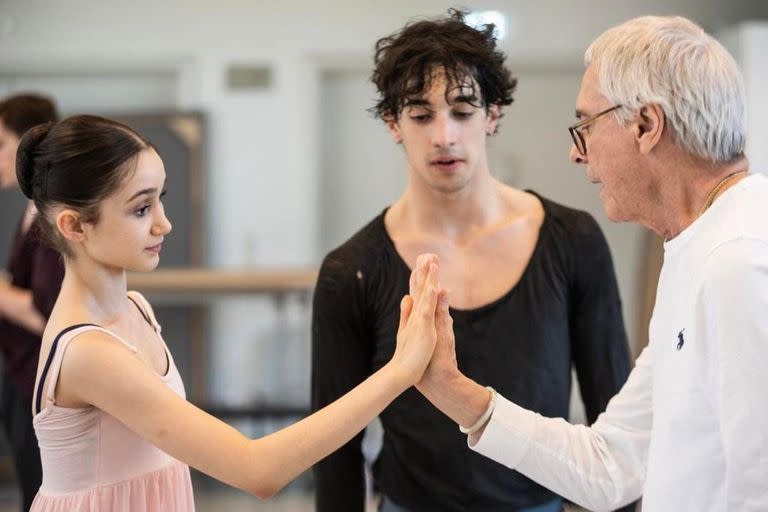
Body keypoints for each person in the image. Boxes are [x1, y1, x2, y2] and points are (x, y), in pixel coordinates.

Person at [415, 15, 768, 512]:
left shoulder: (740, 262)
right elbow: (611, 464)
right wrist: (453, 391)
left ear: (646, 125)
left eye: (585, 125)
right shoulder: (699, 248)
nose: (576, 154)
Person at [19, 114, 441, 512]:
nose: (164, 225)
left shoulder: (135, 309)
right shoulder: (90, 353)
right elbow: (257, 470)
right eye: (141, 209)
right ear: (74, 227)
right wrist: (400, 370)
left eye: (160, 200)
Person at [312, 9, 632, 512]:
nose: (444, 135)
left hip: (541, 502)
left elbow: (612, 413)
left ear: (493, 114)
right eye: (421, 115)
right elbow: (334, 449)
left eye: (462, 111)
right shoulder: (350, 270)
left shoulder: (573, 240)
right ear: (393, 123)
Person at [0, 93, 63, 511]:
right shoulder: (30, 211)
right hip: (21, 375)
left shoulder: (48, 216)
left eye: (1, 145)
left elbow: (46, 313)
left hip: (39, 384)